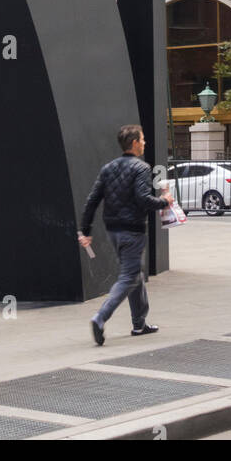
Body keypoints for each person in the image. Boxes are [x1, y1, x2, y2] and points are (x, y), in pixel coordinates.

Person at [78, 124, 172, 346]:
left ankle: (139, 324)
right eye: (143, 139)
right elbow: (143, 199)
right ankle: (100, 318)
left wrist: (86, 230)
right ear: (134, 143)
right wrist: (164, 201)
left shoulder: (108, 168)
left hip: (113, 230)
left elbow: (92, 200)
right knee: (129, 276)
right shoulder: (141, 168)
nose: (145, 142)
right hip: (132, 230)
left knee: (134, 274)